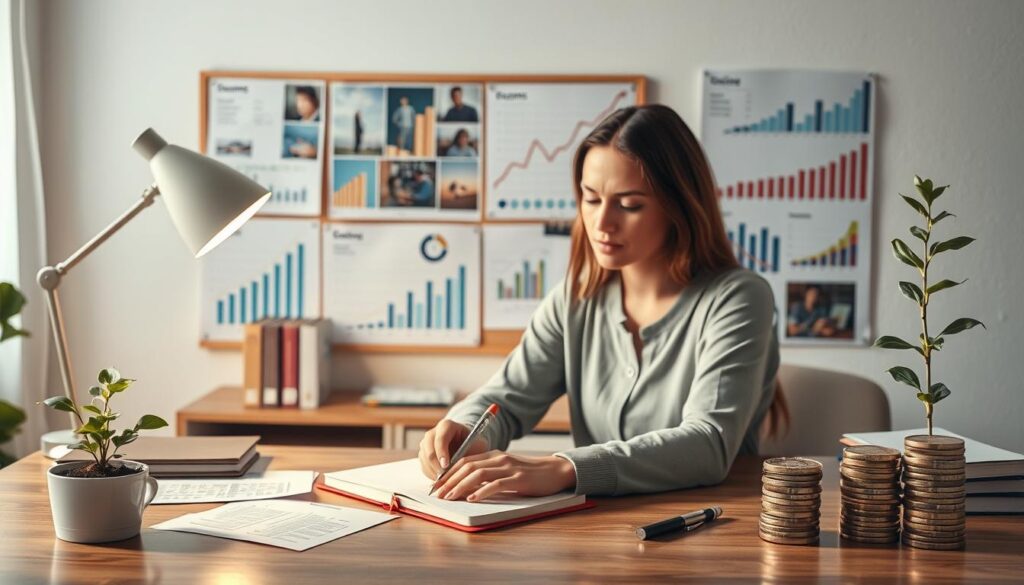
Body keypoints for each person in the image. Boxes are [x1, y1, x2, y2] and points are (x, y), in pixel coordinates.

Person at [418, 104, 782, 501]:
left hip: (710, 529)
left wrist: (566, 468)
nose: (602, 223)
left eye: (629, 205)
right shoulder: (575, 299)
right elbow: (504, 400)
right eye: (591, 199)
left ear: (679, 206)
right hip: (595, 532)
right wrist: (464, 428)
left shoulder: (739, 299)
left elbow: (708, 442)